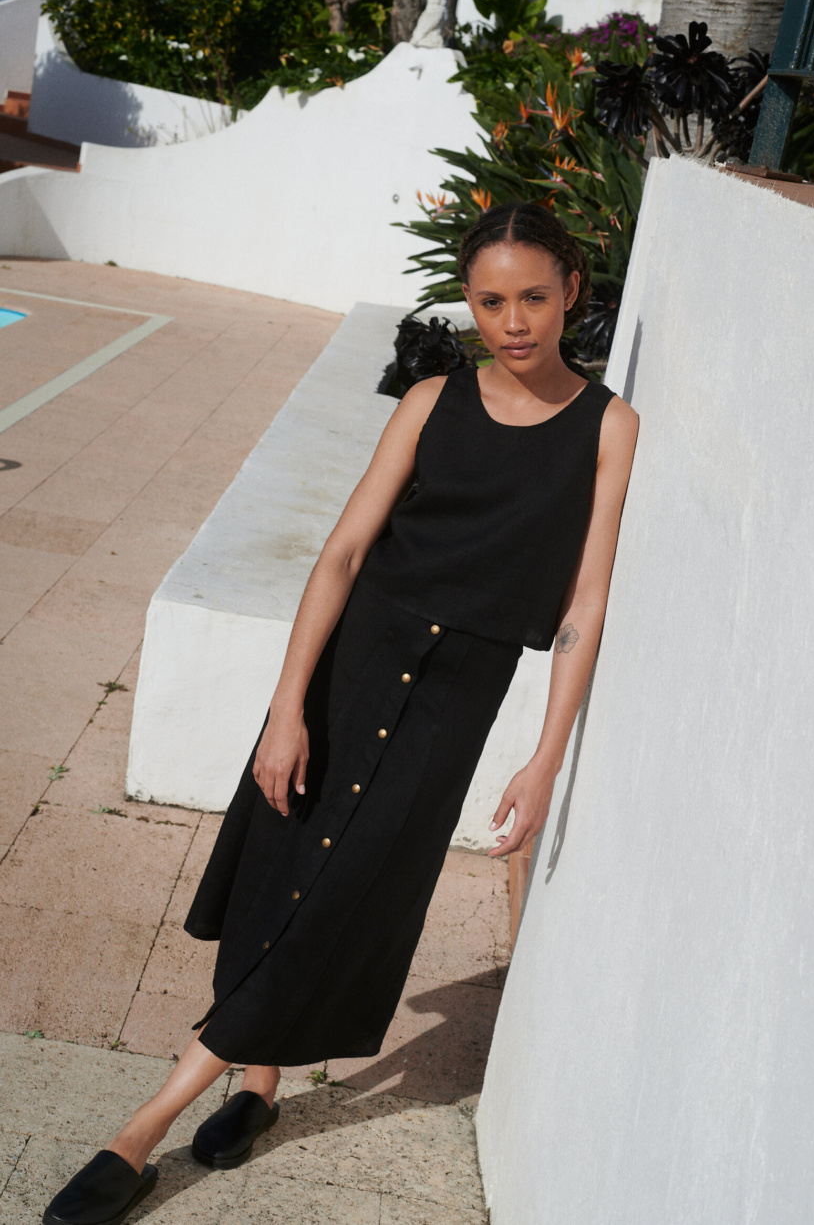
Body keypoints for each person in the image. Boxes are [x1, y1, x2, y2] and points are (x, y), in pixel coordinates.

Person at [43, 202, 638, 1225]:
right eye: (490, 300)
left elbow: (585, 603)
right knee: (285, 870)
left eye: (532, 296)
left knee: (343, 889)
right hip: (355, 660)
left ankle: (139, 1130)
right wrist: (286, 708)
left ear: (571, 288)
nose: (512, 321)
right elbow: (342, 554)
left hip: (458, 695)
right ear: (470, 301)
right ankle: (259, 1082)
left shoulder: (607, 428)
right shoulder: (428, 400)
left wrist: (546, 757)